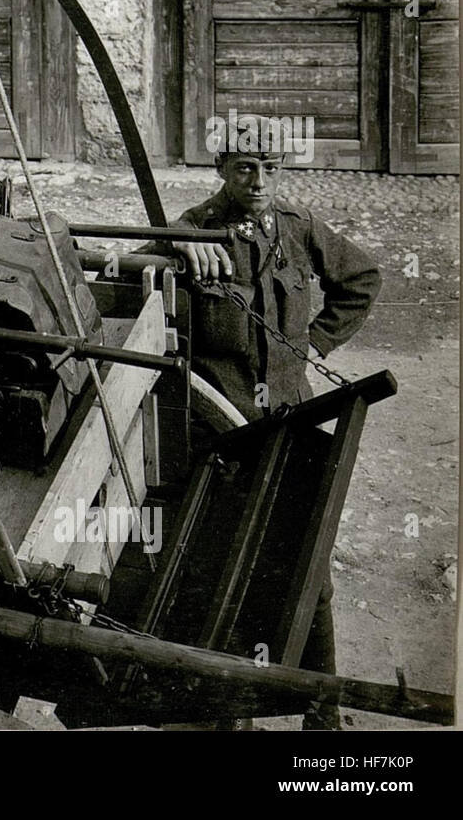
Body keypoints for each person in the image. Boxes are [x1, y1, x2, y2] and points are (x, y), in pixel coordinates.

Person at [167, 148, 381, 730]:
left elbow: (361, 277)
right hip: (222, 434)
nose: (258, 181)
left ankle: (323, 711)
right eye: (243, 168)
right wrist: (174, 246)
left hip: (291, 422)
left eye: (270, 168)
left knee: (311, 571)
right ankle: (227, 710)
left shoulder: (298, 226)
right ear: (220, 170)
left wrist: (315, 345)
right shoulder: (190, 228)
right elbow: (129, 270)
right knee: (220, 569)